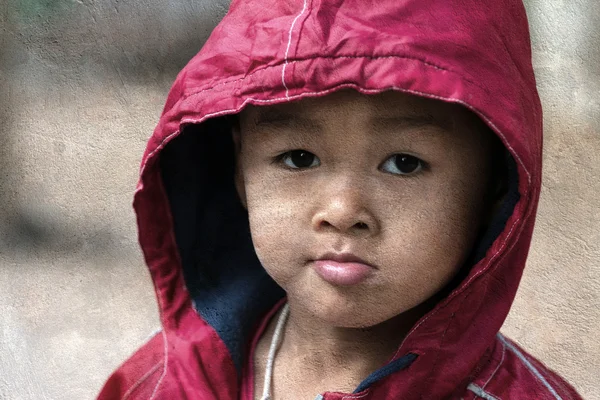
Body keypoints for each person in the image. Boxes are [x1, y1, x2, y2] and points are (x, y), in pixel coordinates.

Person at [98, 0, 583, 399]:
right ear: (241, 173)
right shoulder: (165, 383)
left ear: (496, 189)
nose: (343, 212)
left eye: (404, 163)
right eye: (299, 157)